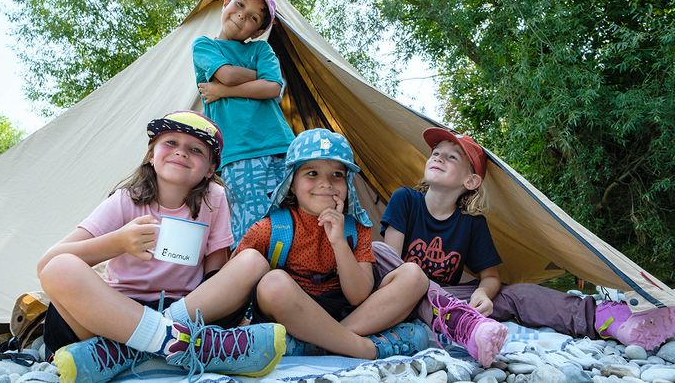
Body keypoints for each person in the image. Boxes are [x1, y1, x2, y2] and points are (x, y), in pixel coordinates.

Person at [374, 127, 675, 366]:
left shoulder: (471, 223)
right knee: (410, 278)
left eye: (451, 157)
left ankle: (607, 319)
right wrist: (427, 293)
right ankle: (467, 329)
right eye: (436, 153)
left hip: (447, 298)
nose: (438, 158)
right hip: (396, 298)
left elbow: (490, 276)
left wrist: (483, 294)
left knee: (517, 293)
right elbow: (391, 268)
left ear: (471, 181)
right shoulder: (406, 200)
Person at [37, 111, 285, 383]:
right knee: (59, 268)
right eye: (171, 142)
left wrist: (225, 308)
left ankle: (134, 348)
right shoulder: (125, 199)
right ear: (151, 156)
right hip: (116, 313)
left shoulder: (214, 198)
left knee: (253, 261)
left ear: (210, 169)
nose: (181, 152)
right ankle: (181, 344)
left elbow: (215, 272)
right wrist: (117, 242)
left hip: (186, 310)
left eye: (196, 149)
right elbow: (46, 264)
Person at [235, 129, 432, 360]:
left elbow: (359, 296)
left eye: (337, 174)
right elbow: (236, 276)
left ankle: (319, 344)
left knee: (414, 276)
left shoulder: (356, 228)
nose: (326, 183)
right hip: (292, 311)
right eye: (312, 173)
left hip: (344, 312)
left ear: (347, 182)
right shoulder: (270, 228)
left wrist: (339, 241)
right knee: (273, 284)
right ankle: (360, 346)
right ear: (291, 183)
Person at [192, 0, 295, 249]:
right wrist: (259, 76)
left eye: (253, 18)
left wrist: (222, 91)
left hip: (281, 145)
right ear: (227, 3)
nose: (241, 16)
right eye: (239, 5)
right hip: (239, 151)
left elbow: (273, 88)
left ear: (258, 31)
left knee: (291, 216)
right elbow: (227, 74)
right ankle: (249, 272)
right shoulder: (204, 46)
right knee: (250, 226)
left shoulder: (261, 49)